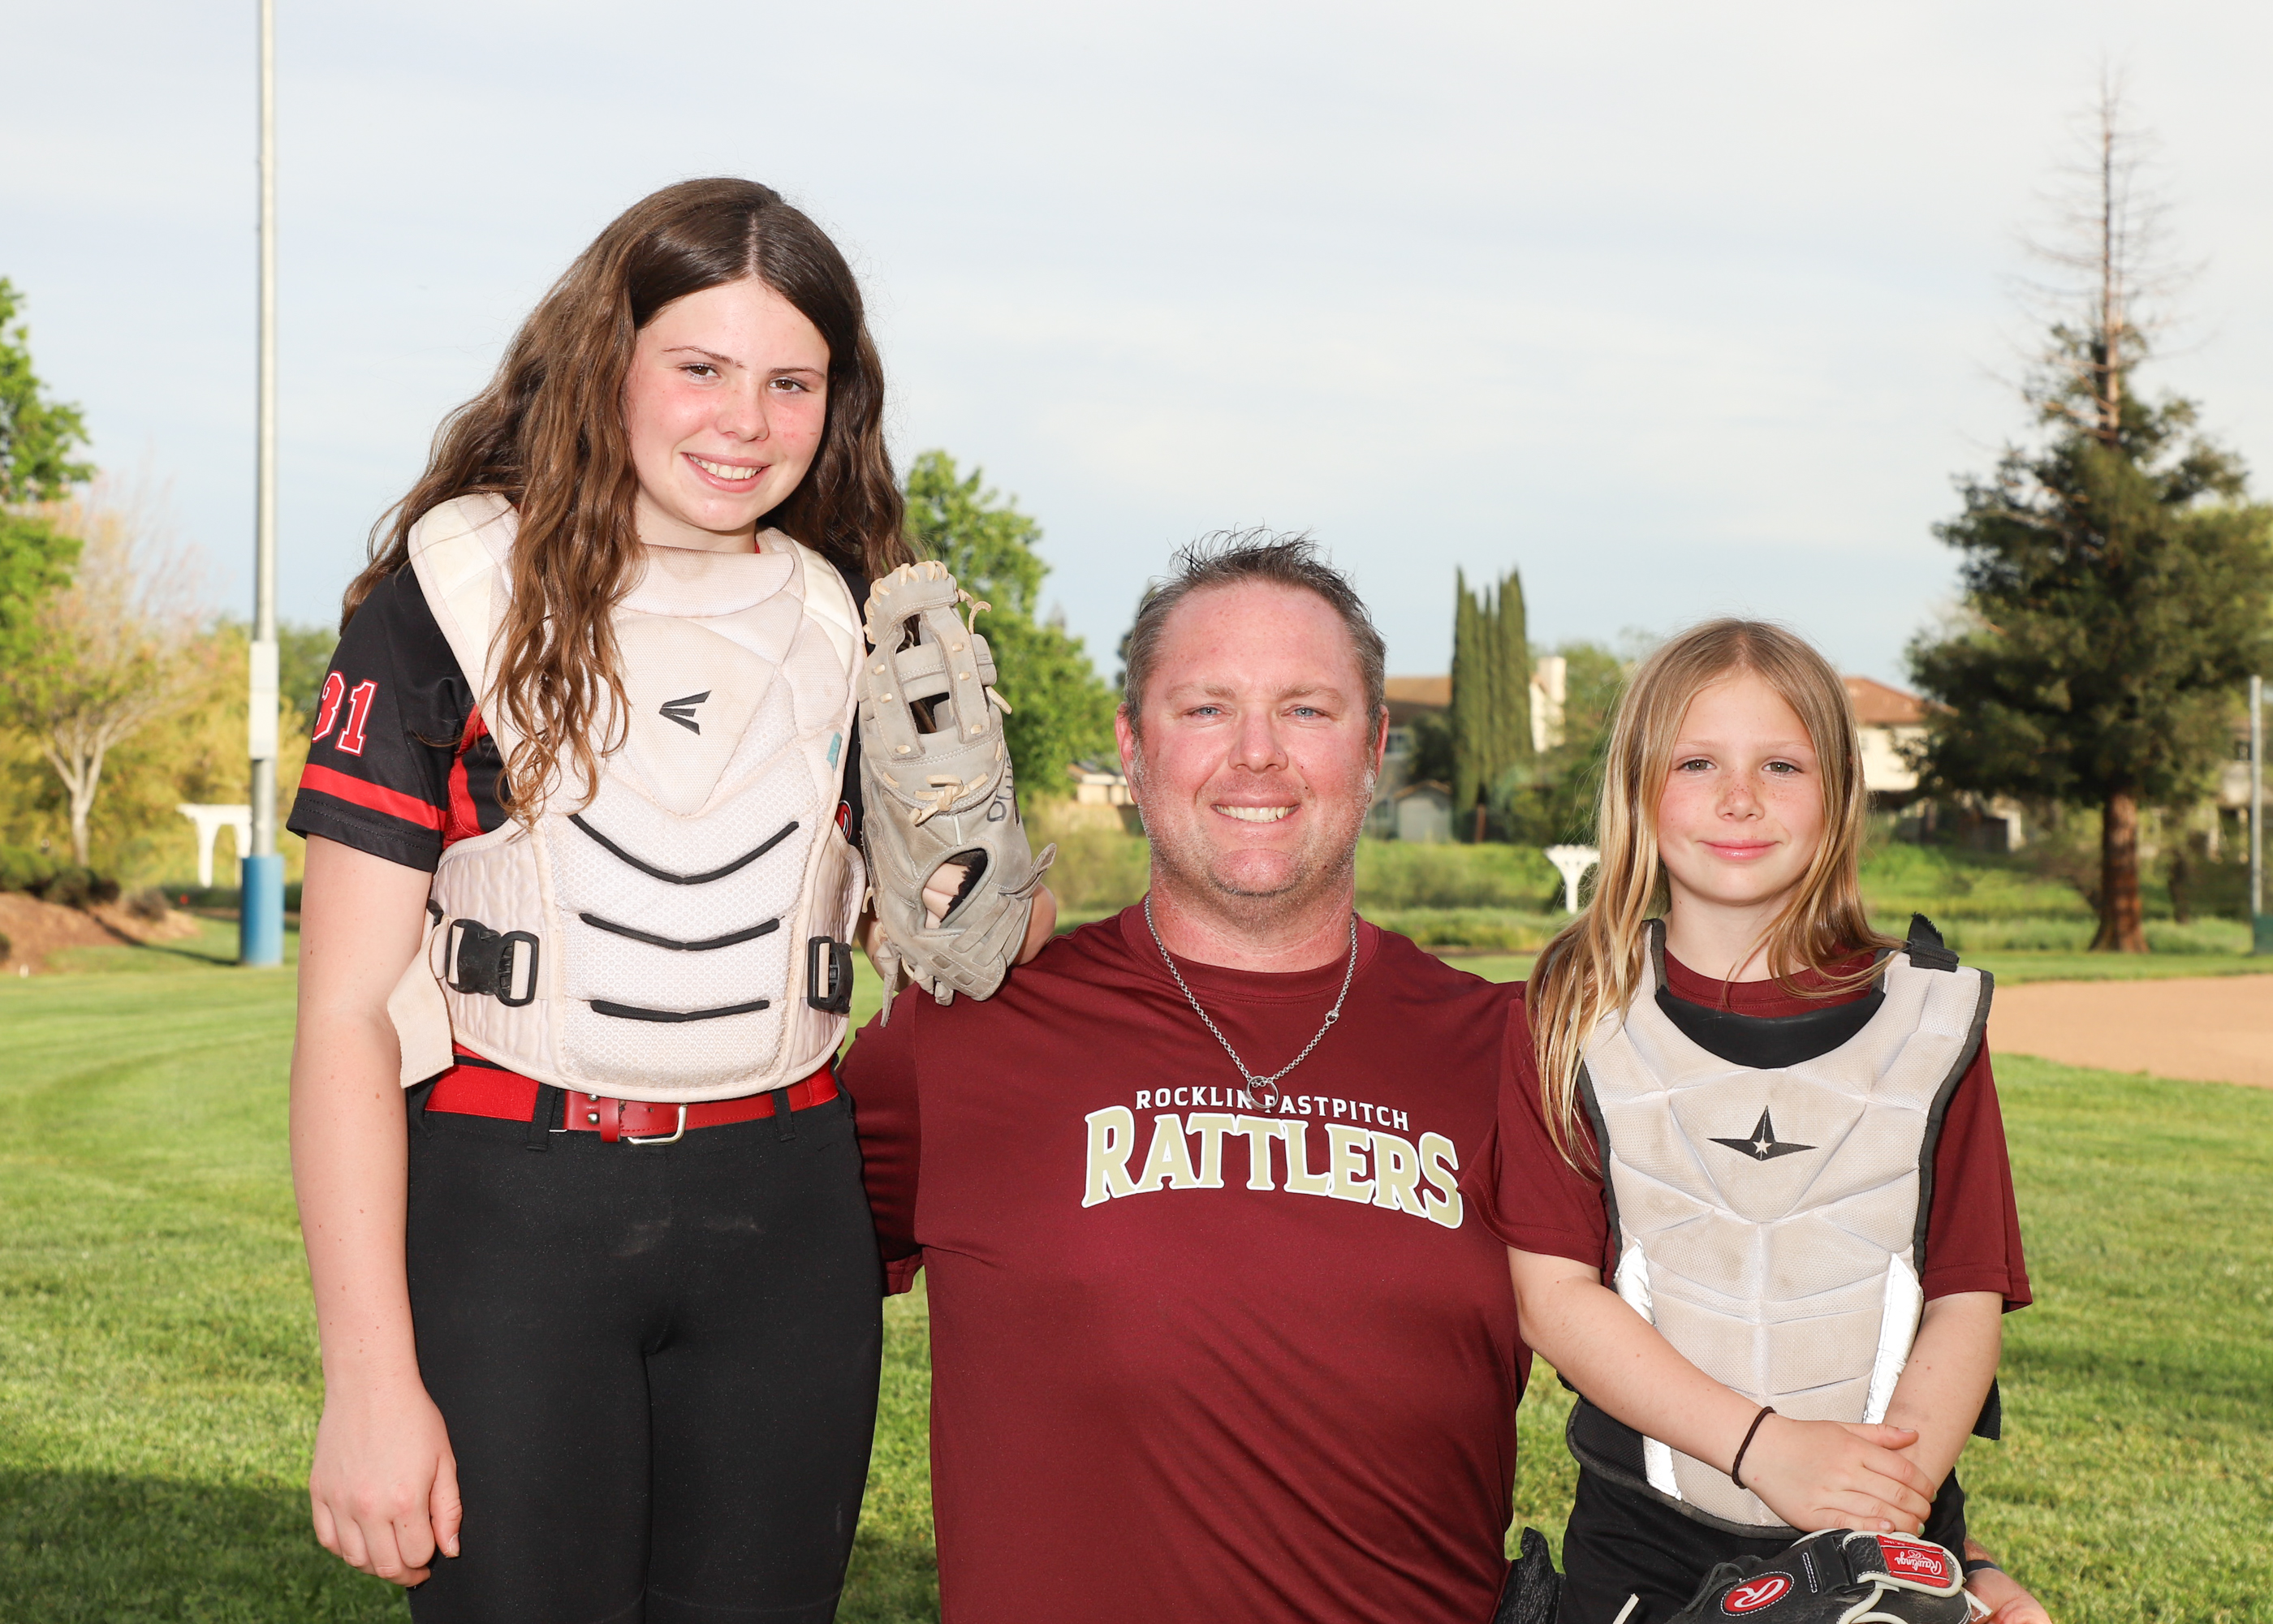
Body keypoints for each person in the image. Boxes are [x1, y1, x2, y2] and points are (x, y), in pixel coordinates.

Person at [285, 177, 1049, 1624]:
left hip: (786, 1223)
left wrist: (980, 880)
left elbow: (954, 950)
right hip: (513, 1213)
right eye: (700, 367)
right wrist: (368, 1381)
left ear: (838, 400)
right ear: (608, 361)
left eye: (790, 382)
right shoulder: (451, 591)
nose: (744, 421)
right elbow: (342, 1019)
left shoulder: (853, 613)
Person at [845, 532, 1533, 1622]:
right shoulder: (959, 1037)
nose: (1257, 754)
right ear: (1132, 747)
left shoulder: (1512, 1049)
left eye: (1306, 708)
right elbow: (722, 1273)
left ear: (1374, 749)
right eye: (1206, 708)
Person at [1466, 619, 2051, 1623]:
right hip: (1644, 1549)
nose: (1739, 798)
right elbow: (1553, 1299)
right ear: (1638, 787)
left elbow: (1966, 1298)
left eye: (1782, 765)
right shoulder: (1569, 1013)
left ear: (1838, 794)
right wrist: (1763, 1450)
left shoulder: (1931, 1019)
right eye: (1696, 763)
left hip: (1886, 1533)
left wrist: (1886, 1506)